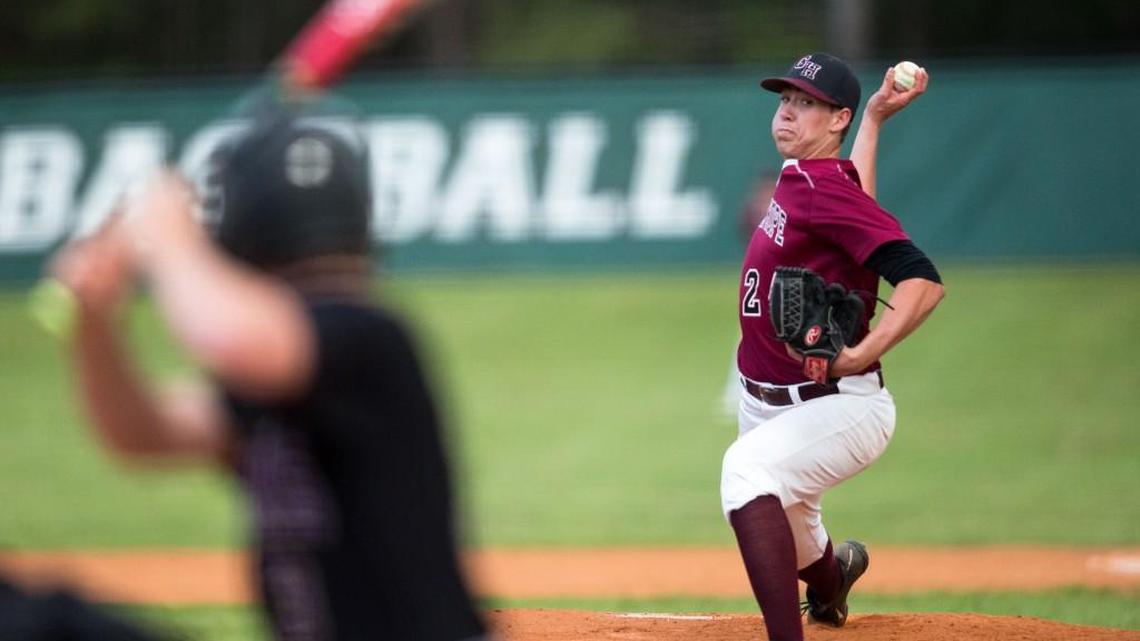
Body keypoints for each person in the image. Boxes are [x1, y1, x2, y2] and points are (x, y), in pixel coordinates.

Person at [49, 115, 488, 641]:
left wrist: (168, 236)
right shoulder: (287, 378)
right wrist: (96, 324)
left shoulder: (363, 338)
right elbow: (142, 433)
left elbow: (240, 340)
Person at [719, 52, 943, 641]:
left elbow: (922, 279)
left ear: (833, 118)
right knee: (799, 544)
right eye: (785, 100)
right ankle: (831, 581)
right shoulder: (812, 179)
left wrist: (865, 350)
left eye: (805, 104)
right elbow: (857, 200)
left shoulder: (817, 187)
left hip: (836, 400)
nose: (787, 113)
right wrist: (873, 122)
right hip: (764, 401)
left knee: (746, 475)